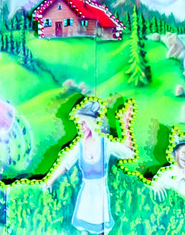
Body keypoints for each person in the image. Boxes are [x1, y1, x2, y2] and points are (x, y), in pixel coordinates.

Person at [47, 98, 135, 235]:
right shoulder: (79, 146)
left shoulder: (105, 144)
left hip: (100, 196)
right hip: (86, 196)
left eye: (83, 122)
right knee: (84, 230)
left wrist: (126, 125)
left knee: (100, 231)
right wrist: (51, 180)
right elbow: (65, 164)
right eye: (79, 123)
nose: (81, 126)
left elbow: (128, 153)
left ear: (91, 123)